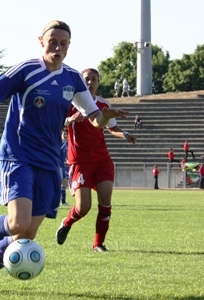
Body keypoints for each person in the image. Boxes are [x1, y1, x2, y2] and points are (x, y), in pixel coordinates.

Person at [0, 20, 128, 293]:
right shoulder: (27, 70)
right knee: (17, 222)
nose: (57, 47)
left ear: (69, 46)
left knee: (25, 235)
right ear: (41, 41)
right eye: (52, 41)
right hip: (18, 155)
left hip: (49, 162)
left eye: (63, 43)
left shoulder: (72, 78)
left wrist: (105, 118)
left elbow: (94, 119)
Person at [56, 68, 136, 252]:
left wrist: (125, 134)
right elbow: (58, 123)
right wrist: (69, 120)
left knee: (105, 202)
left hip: (102, 159)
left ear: (98, 82)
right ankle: (67, 222)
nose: (90, 82)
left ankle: (98, 244)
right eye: (86, 79)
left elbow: (111, 128)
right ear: (81, 83)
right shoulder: (70, 103)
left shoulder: (103, 104)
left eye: (94, 79)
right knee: (83, 208)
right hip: (80, 161)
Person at [59, 127, 69, 206]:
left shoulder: (66, 143)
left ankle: (63, 201)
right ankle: (62, 201)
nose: (65, 135)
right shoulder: (59, 143)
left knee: (64, 183)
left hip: (62, 165)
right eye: (64, 134)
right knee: (63, 183)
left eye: (66, 134)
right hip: (58, 165)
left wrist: (68, 160)